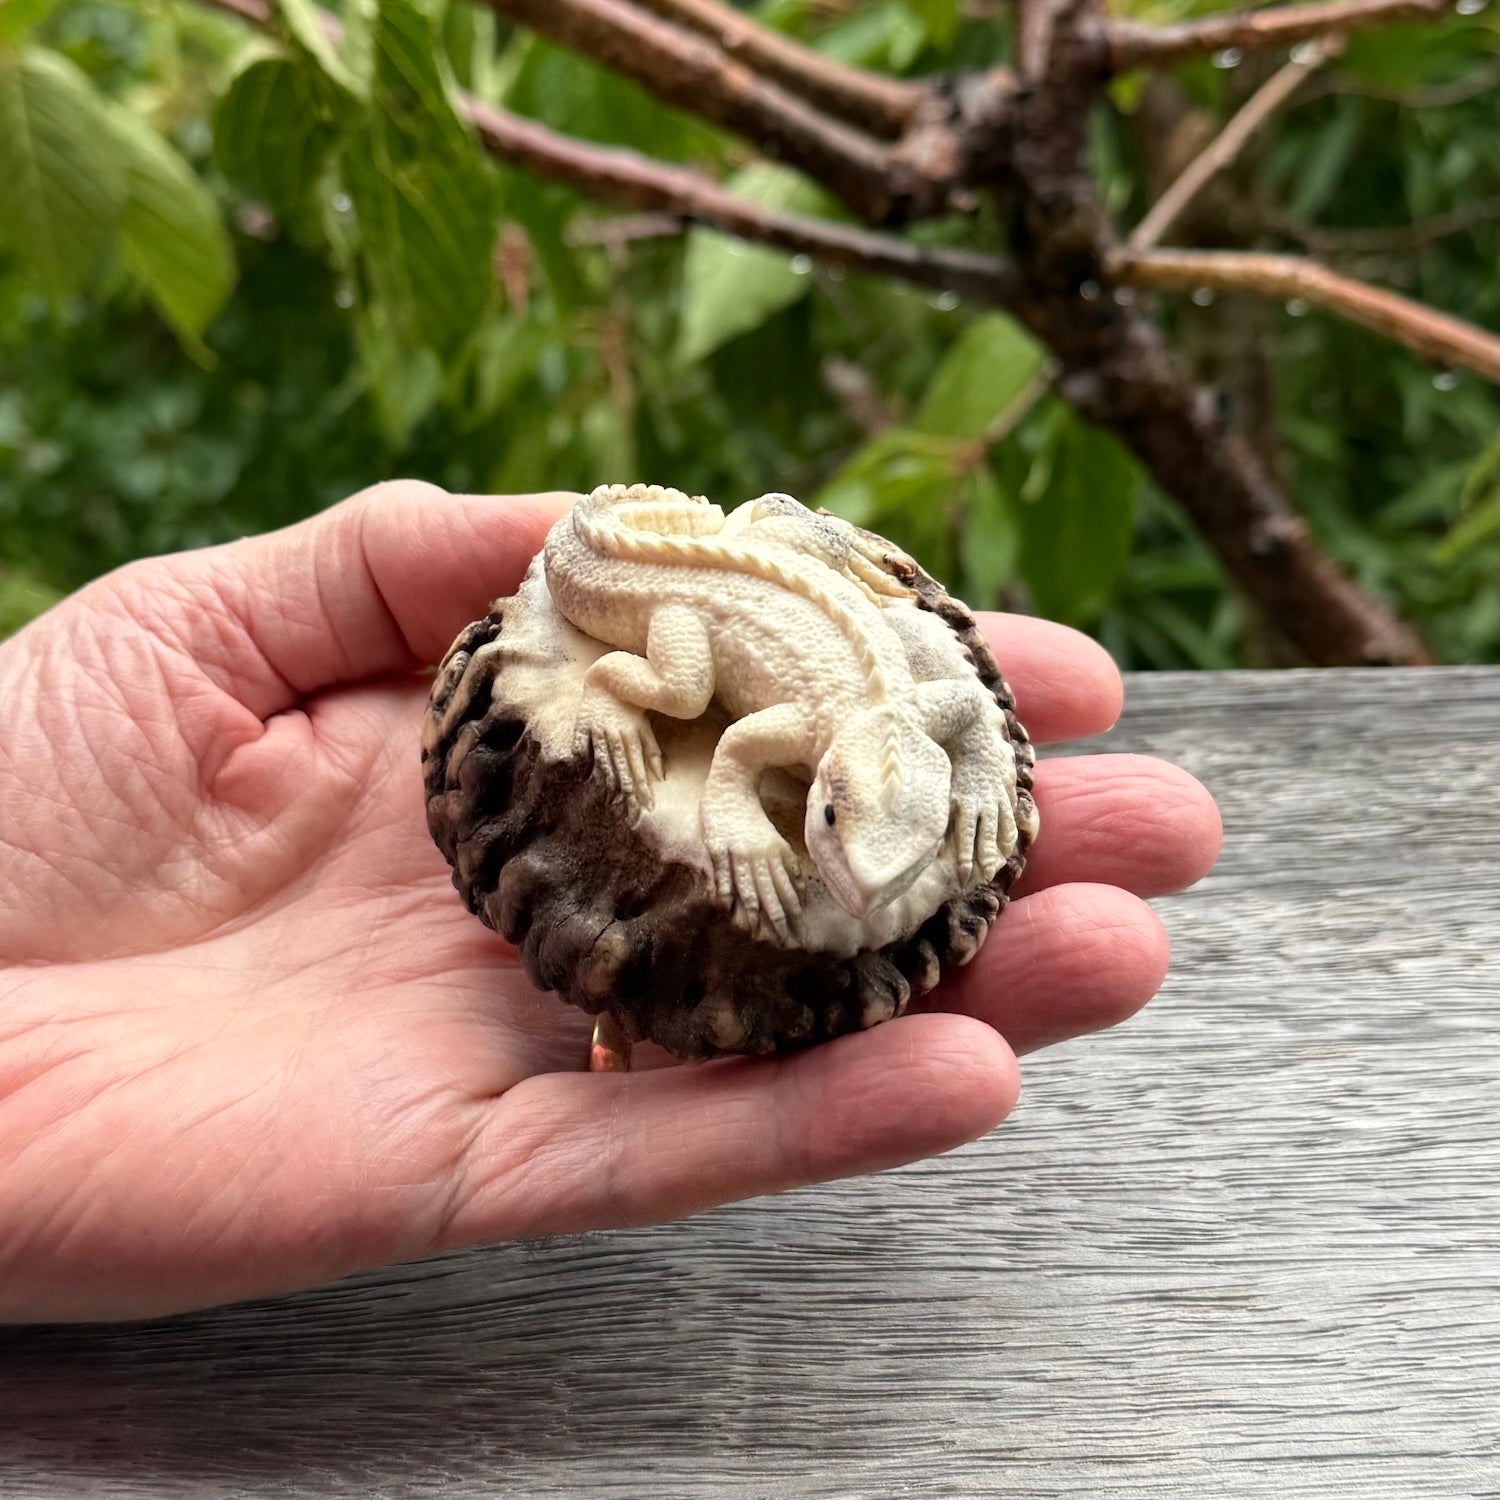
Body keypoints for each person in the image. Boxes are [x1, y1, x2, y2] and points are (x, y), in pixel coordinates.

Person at [0, 483, 1221, 1323]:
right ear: (834, 777)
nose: (855, 860)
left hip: (787, 606)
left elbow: (958, 717)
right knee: (680, 679)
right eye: (839, 825)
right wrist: (683, 770)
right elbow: (735, 760)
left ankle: (797, 542)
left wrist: (982, 807)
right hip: (669, 602)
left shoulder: (927, 716)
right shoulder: (802, 739)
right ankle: (643, 664)